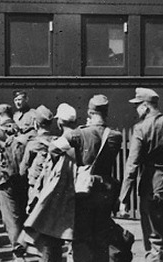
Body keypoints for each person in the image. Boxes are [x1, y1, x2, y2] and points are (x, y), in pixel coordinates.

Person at [50, 94, 123, 262]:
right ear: (106, 112)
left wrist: (79, 164)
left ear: (90, 112)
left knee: (82, 237)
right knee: (101, 237)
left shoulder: (79, 134)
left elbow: (53, 148)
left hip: (84, 189)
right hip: (106, 191)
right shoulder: (115, 136)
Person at [119, 88, 163, 262]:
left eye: (137, 106)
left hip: (151, 186)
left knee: (154, 237)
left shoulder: (140, 128)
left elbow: (132, 165)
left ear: (145, 107)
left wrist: (124, 198)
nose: (136, 110)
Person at [0, 104, 28, 262]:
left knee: (10, 216)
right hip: (21, 176)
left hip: (4, 178)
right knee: (21, 213)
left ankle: (17, 249)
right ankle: (23, 243)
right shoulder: (21, 129)